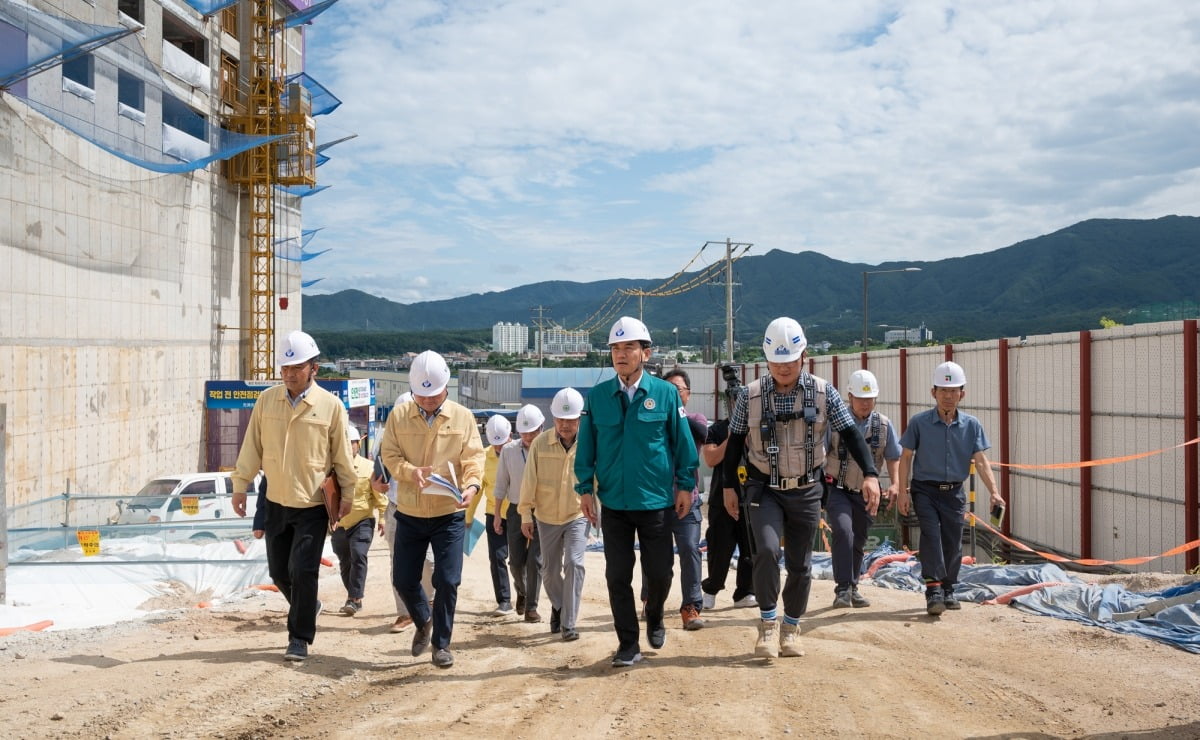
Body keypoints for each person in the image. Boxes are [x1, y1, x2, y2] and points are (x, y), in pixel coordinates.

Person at [722, 317, 881, 660]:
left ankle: (791, 627)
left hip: (807, 488)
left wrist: (870, 473)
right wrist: (728, 486)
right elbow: (734, 442)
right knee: (765, 550)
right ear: (766, 359)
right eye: (777, 362)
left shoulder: (825, 393)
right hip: (764, 488)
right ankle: (767, 625)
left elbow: (852, 434)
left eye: (790, 361)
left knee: (800, 563)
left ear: (804, 355)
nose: (783, 368)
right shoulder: (750, 396)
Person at [575, 316, 698, 668]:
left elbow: (682, 443)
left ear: (646, 353)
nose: (621, 354)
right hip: (614, 502)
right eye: (615, 348)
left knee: (660, 573)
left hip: (656, 501)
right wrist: (585, 488)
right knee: (617, 576)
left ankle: (655, 614)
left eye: (629, 347)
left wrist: (686, 485)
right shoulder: (598, 396)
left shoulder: (664, 393)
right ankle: (628, 643)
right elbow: (587, 447)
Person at [231, 330, 356, 662]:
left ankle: (298, 638)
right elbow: (251, 446)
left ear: (313, 368)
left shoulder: (330, 407)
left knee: (303, 570)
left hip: (312, 504)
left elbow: (343, 457)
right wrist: (240, 485)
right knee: (279, 573)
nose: (288, 374)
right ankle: (308, 606)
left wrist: (348, 496)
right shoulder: (267, 400)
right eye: (284, 369)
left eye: (296, 368)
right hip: (275, 500)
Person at [380, 350, 486, 668]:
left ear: (446, 389)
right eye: (421, 396)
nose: (427, 401)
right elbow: (390, 455)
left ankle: (441, 644)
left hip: (448, 513)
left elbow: (473, 458)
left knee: (448, 579)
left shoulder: (462, 417)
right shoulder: (399, 417)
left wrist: (471, 487)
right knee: (403, 578)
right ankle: (423, 619)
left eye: (434, 395)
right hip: (410, 511)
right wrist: (410, 472)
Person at [896, 361, 1002, 616]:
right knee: (931, 535)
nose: (948, 396)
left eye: (954, 390)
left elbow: (981, 460)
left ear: (962, 394)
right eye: (943, 390)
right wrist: (902, 491)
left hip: (954, 492)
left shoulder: (972, 425)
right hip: (925, 490)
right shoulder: (919, 422)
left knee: (953, 540)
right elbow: (906, 457)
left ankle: (948, 587)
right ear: (933, 393)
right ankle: (933, 589)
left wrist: (994, 492)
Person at [824, 369, 900, 609]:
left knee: (859, 539)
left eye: (870, 398)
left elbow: (893, 456)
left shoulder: (884, 425)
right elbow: (822, 452)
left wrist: (896, 483)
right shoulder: (834, 423)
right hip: (837, 488)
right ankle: (842, 588)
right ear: (849, 397)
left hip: (867, 494)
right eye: (860, 398)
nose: (865, 403)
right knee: (843, 532)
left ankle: (853, 586)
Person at [518, 387, 587, 641]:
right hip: (546, 517)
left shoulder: (589, 443)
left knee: (575, 564)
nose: (565, 425)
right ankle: (558, 605)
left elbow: (598, 478)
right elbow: (528, 482)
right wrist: (526, 514)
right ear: (553, 418)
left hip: (576, 514)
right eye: (560, 419)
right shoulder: (539, 443)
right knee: (548, 570)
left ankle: (568, 622)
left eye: (570, 420)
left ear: (580, 418)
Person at [371, 391, 433, 634]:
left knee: (429, 561)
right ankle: (405, 612)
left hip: (427, 508)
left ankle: (428, 603)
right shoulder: (386, 438)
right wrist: (376, 485)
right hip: (397, 507)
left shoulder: (430, 436)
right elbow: (374, 474)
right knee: (398, 563)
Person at [658, 368, 707, 630]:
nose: (674, 395)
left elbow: (701, 430)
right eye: (667, 391)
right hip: (658, 500)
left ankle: (691, 607)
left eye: (678, 391)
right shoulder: (653, 421)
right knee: (658, 556)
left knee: (689, 548)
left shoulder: (695, 418)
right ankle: (651, 599)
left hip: (688, 500)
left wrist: (671, 416)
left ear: (687, 395)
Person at [494, 404, 545, 622]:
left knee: (536, 560)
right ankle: (522, 592)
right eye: (525, 433)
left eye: (533, 432)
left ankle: (532, 607)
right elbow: (501, 484)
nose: (529, 437)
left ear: (541, 428)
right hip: (515, 509)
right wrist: (497, 513)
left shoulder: (548, 448)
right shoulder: (509, 451)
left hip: (541, 510)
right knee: (515, 561)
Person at [699, 416, 756, 610]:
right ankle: (711, 589)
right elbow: (711, 458)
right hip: (720, 498)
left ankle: (745, 592)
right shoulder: (717, 429)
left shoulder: (757, 424)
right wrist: (732, 438)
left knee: (750, 548)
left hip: (751, 496)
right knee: (719, 547)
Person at [332, 424, 387, 617]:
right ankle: (354, 596)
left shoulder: (369, 467)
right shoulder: (332, 469)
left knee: (358, 554)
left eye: (352, 443)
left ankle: (354, 599)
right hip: (339, 523)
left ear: (358, 444)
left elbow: (379, 494)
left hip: (363, 520)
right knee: (345, 560)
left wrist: (382, 518)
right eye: (345, 444)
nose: (349, 447)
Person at [466, 414, 514, 615]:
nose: (499, 449)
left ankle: (525, 595)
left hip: (520, 514)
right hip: (493, 514)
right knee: (497, 557)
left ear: (510, 436)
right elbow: (477, 488)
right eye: (496, 445)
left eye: (502, 444)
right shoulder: (485, 457)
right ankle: (504, 600)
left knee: (520, 560)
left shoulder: (522, 453)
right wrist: (467, 518)